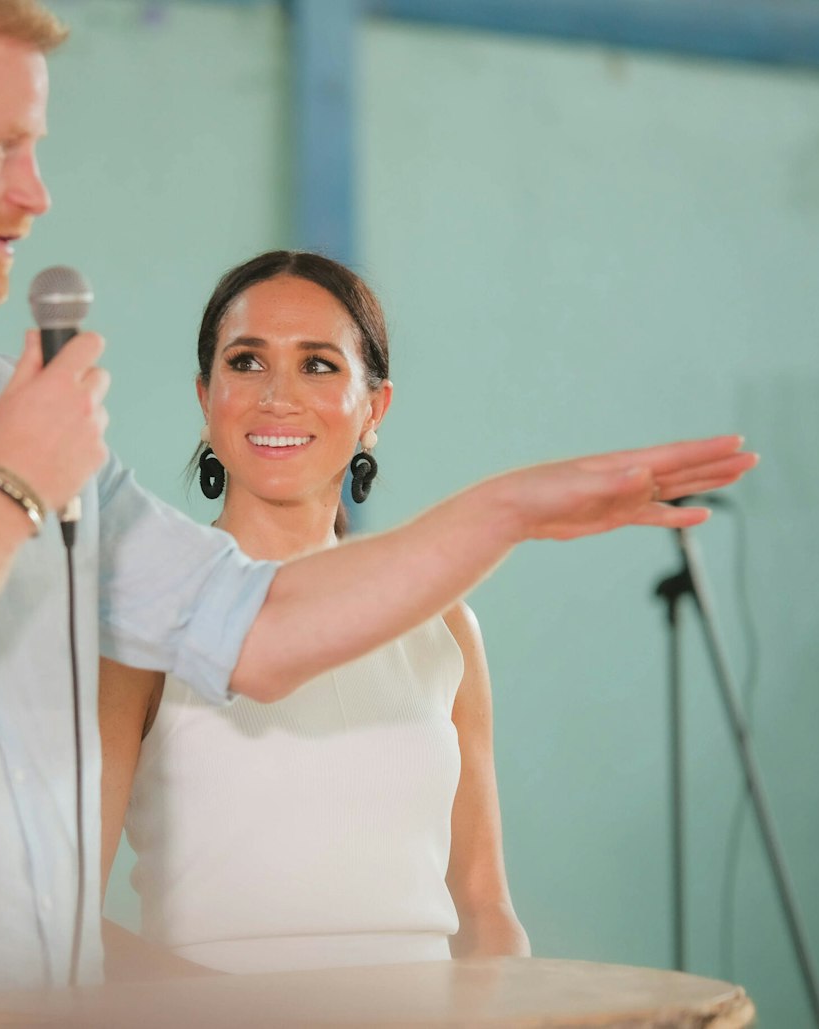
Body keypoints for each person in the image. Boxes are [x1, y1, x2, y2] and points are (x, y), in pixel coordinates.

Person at [0, 1, 755, 1025]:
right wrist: (10, 489)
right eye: (5, 146)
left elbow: (255, 630)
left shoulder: (12, 404)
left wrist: (508, 511)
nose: (36, 193)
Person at [100, 251, 529, 979]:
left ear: (375, 408)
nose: (277, 396)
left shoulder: (446, 626)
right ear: (207, 397)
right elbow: (57, 910)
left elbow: (485, 906)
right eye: (246, 362)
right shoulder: (145, 616)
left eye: (319, 365)